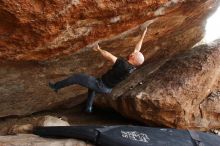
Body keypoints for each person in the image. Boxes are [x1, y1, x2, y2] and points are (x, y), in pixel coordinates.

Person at [48, 26, 148, 113]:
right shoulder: (132, 67)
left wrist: (99, 49)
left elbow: (109, 56)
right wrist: (144, 33)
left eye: (134, 54)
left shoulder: (123, 65)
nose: (133, 52)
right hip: (107, 88)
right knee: (92, 88)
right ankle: (88, 108)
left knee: (77, 77)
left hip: (100, 85)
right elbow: (137, 49)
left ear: (133, 58)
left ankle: (55, 87)